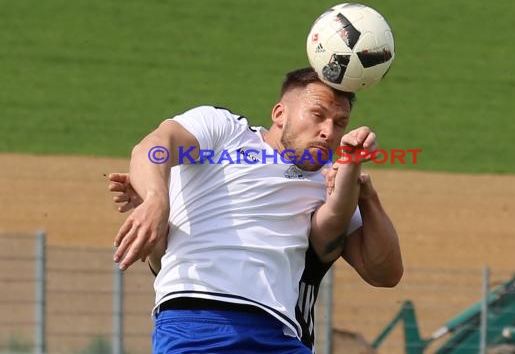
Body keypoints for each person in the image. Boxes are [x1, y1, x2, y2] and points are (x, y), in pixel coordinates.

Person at [111, 67, 403, 353]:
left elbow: (385, 274)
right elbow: (153, 147)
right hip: (198, 325)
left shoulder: (330, 182)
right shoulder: (224, 131)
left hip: (278, 333)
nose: (328, 132)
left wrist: (366, 195)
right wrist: (155, 199)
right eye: (318, 115)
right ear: (279, 114)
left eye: (340, 123)